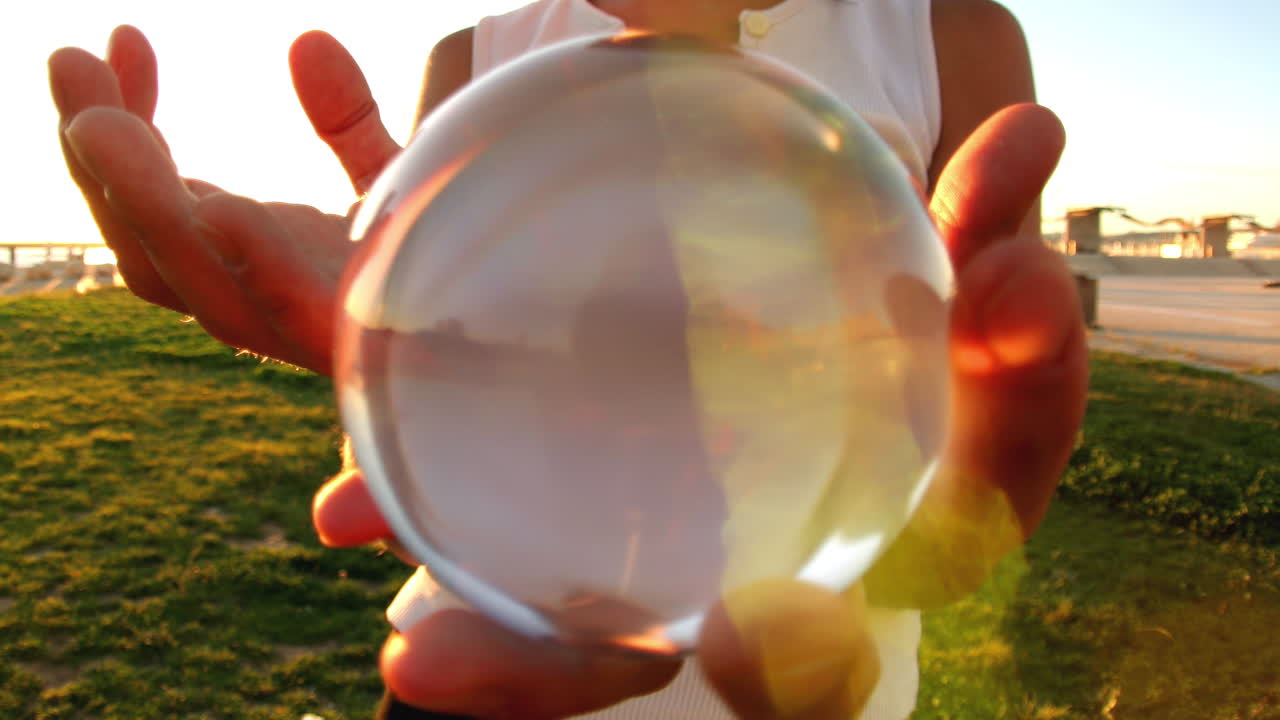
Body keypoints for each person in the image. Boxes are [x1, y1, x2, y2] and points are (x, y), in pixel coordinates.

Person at [49, 0, 1088, 717]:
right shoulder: (473, 55)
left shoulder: (945, 32)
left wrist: (949, 524)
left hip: (814, 685)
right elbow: (427, 405)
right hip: (472, 675)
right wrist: (421, 427)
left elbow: (962, 435)